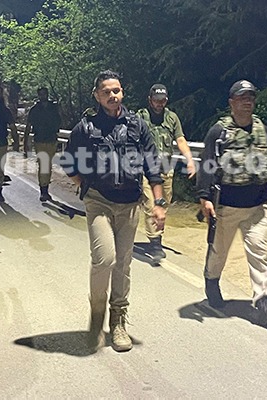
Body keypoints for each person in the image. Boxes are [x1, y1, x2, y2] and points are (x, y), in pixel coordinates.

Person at [61, 70, 166, 352]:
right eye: (106, 92)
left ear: (123, 93)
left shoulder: (137, 126)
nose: (112, 96)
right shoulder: (85, 128)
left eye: (116, 90)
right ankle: (97, 317)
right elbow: (69, 162)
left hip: (130, 203)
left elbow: (153, 166)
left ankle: (118, 321)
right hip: (99, 201)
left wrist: (158, 204)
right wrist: (85, 185)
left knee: (122, 263)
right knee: (104, 258)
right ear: (97, 95)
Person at [196, 80, 267, 326]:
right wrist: (205, 198)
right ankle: (211, 283)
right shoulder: (219, 132)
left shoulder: (263, 130)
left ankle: (265, 303)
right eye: (242, 97)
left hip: (256, 207)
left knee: (259, 252)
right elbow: (207, 164)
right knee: (219, 252)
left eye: (251, 97)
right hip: (226, 206)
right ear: (231, 102)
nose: (247, 101)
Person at [136, 84, 196, 261]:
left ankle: (157, 235)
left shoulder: (171, 118)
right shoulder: (141, 117)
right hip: (146, 169)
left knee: (163, 204)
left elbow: (180, 139)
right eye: (156, 100)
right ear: (150, 100)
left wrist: (190, 160)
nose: (159, 104)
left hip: (166, 168)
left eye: (162, 100)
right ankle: (155, 242)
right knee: (151, 204)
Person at [24, 87, 62, 201]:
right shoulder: (35, 109)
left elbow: (59, 120)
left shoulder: (53, 107)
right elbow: (28, 125)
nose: (43, 96)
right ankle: (43, 190)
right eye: (40, 94)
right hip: (39, 139)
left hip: (51, 139)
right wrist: (25, 142)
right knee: (43, 164)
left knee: (48, 165)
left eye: (44, 94)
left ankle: (45, 187)